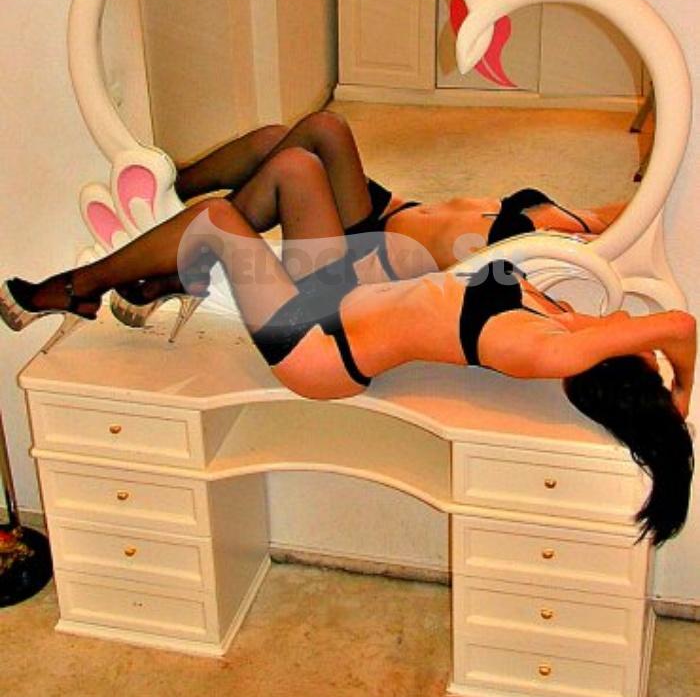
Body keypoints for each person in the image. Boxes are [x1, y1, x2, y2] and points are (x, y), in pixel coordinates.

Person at [0, 147, 695, 546]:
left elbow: (679, 328)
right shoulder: (565, 326)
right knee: (296, 164)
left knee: (216, 220)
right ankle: (165, 277)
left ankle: (72, 291)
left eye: (634, 345)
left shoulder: (548, 350)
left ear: (616, 359)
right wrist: (678, 389)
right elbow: (666, 331)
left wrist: (678, 388)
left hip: (318, 349)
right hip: (332, 294)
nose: (621, 319)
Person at [110, 108, 626, 316]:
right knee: (275, 139)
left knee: (322, 133)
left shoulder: (565, 261)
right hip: (391, 209)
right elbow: (627, 212)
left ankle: (191, 252)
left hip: (369, 249)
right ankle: (174, 184)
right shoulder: (581, 223)